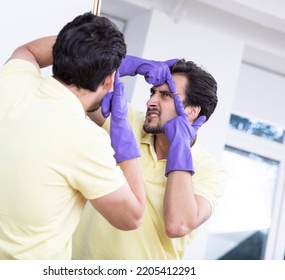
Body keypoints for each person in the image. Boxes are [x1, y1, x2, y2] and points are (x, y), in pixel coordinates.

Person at [0, 12, 146, 260]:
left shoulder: (9, 85)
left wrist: (78, 46)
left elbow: (29, 50)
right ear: (110, 80)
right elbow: (132, 216)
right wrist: (124, 139)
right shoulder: (84, 139)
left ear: (61, 51)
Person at [72, 57, 228, 259]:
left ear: (192, 111)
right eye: (152, 92)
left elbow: (177, 224)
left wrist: (180, 147)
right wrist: (123, 64)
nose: (150, 101)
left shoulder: (211, 171)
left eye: (165, 95)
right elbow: (76, 88)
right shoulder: (129, 122)